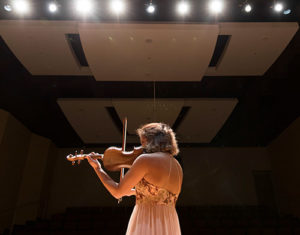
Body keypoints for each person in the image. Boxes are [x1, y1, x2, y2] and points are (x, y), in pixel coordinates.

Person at [86, 122, 183, 235]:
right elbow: (160, 194)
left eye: (143, 142)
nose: (142, 147)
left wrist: (98, 169)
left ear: (151, 141)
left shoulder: (145, 160)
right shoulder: (177, 166)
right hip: (169, 222)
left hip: (148, 221)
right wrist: (134, 192)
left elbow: (117, 192)